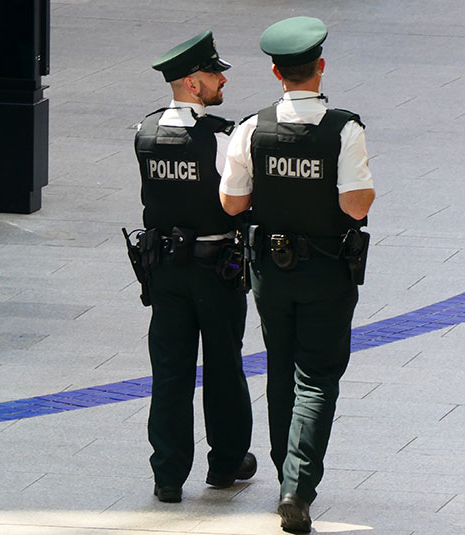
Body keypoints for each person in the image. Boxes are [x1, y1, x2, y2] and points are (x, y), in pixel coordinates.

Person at [219, 17, 375, 533]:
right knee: (318, 377)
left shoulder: (250, 127)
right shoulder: (344, 129)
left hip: (270, 269)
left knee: (281, 367)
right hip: (327, 271)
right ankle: (297, 486)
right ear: (320, 67)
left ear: (275, 72)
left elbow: (231, 201)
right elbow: (355, 207)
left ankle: (287, 470)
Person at [133, 30, 256, 504]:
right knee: (224, 366)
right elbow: (236, 201)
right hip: (214, 270)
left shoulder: (144, 132)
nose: (222, 79)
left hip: (162, 268)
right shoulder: (221, 136)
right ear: (192, 83)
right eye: (213, 73)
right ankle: (226, 464)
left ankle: (167, 475)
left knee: (169, 371)